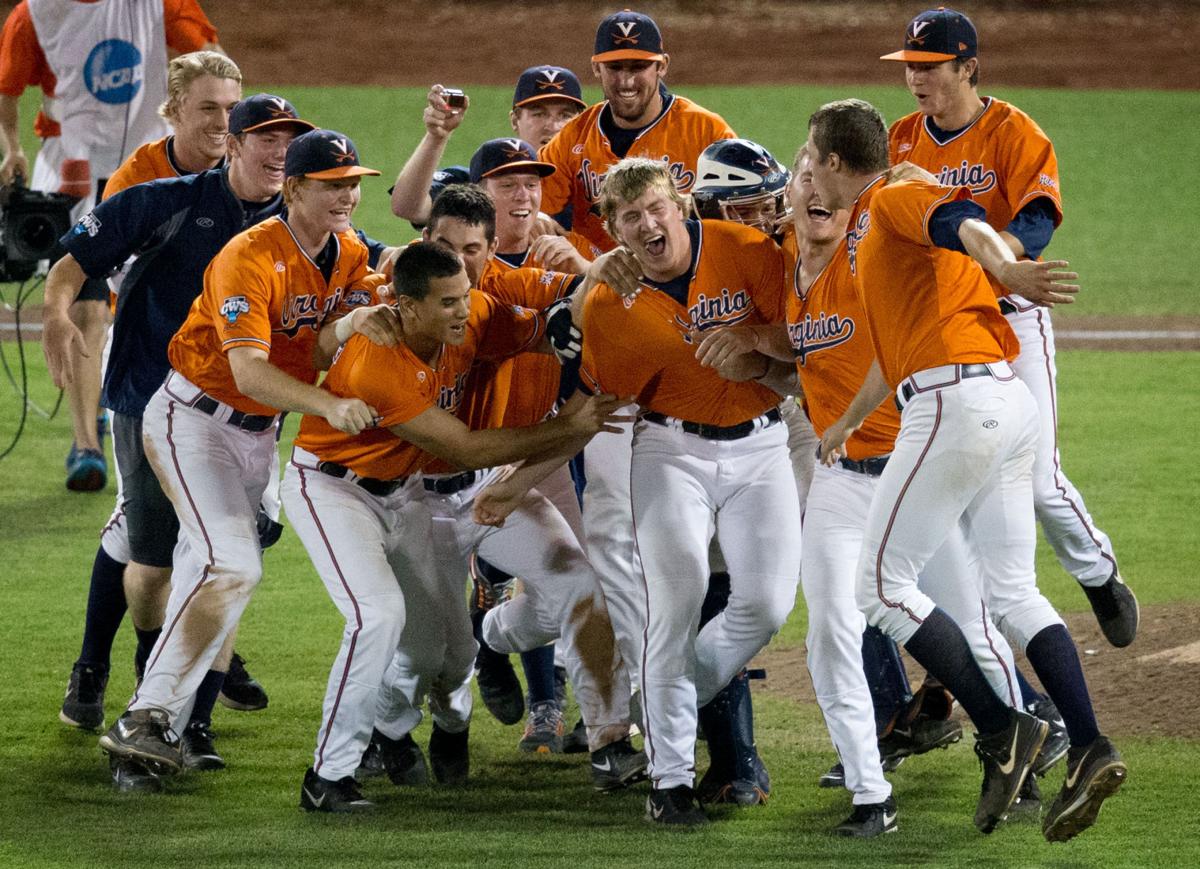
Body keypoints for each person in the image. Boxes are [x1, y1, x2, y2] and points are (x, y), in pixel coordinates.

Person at [805, 98, 1125, 840]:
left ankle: (1003, 727)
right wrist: (848, 421)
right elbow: (893, 351)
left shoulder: (895, 197)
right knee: (1012, 591)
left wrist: (1007, 265)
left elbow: (964, 221)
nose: (808, 171)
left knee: (879, 587)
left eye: (811, 157)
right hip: (1002, 403)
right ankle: (1089, 744)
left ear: (831, 162)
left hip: (954, 404)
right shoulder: (872, 227)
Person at [286, 238, 636, 811]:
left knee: (438, 652)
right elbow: (464, 447)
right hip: (334, 488)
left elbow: (540, 325)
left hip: (407, 492)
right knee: (380, 618)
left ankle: (604, 738)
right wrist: (570, 426)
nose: (462, 310)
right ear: (407, 306)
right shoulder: (379, 358)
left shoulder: (470, 314)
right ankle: (329, 775)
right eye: (447, 301)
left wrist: (567, 314)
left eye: (465, 295)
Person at [94, 128, 392, 786]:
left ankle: (148, 728)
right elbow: (250, 372)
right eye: (332, 184)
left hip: (255, 437)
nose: (347, 195)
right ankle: (149, 717)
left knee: (206, 571)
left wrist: (351, 322)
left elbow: (322, 335)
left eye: (353, 183)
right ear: (295, 189)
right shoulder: (249, 255)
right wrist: (328, 404)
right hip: (192, 422)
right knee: (231, 563)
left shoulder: (345, 252)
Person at [44, 93, 312, 791]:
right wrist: (56, 314)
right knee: (154, 557)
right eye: (265, 136)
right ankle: (133, 665)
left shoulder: (302, 223)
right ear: (233, 144)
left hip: (246, 419)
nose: (279, 150)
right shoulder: (167, 200)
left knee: (222, 560)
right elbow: (74, 260)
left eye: (288, 138)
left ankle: (187, 718)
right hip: (149, 401)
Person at [880, 8, 1137, 650]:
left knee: (1041, 483)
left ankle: (1097, 573)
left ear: (968, 67)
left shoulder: (1013, 131)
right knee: (968, 490)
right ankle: (982, 636)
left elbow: (1039, 218)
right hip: (947, 330)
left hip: (1015, 317)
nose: (916, 79)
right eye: (910, 67)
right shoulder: (901, 139)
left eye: (930, 67)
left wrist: (998, 260)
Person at [576, 157, 801, 826]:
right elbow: (604, 400)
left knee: (767, 604)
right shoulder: (608, 303)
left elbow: (802, 340)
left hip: (762, 446)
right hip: (669, 451)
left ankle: (662, 699)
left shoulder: (747, 251)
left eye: (656, 208)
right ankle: (669, 780)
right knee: (676, 603)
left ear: (680, 206)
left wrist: (754, 345)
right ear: (615, 231)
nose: (649, 224)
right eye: (631, 217)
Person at [0, 0, 219, 491]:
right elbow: (7, 92)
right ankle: (86, 445)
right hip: (72, 176)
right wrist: (12, 148)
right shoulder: (36, 14)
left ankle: (158, 410)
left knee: (165, 298)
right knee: (87, 307)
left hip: (153, 175)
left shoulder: (157, 4)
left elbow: (211, 60)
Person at [537, 9, 736, 251]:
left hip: (685, 270)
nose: (626, 81)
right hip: (596, 271)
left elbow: (742, 208)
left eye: (638, 67)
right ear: (596, 68)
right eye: (615, 67)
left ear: (662, 66)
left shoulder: (706, 131)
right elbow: (531, 199)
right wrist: (536, 218)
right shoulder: (574, 136)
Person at [389, 65, 587, 227]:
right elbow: (408, 208)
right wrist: (436, 137)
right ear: (515, 121)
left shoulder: (594, 188)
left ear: (580, 123)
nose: (552, 126)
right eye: (539, 114)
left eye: (565, 115)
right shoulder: (481, 184)